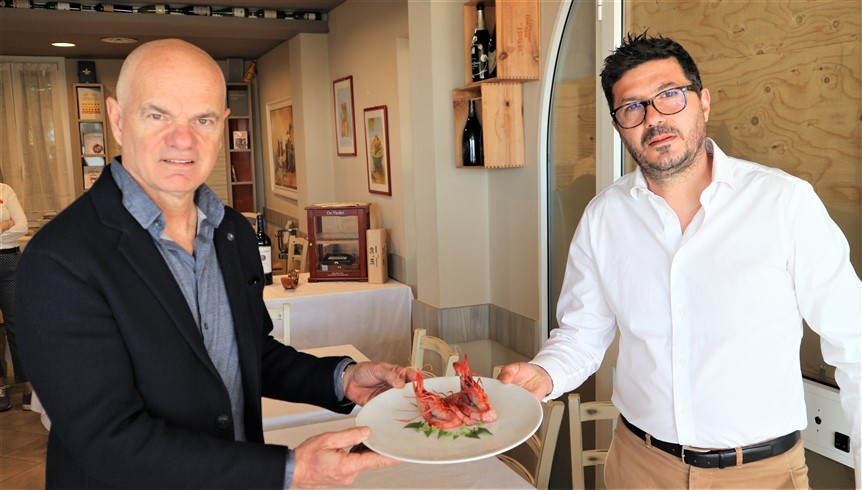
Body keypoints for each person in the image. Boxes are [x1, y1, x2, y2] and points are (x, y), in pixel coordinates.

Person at [15, 39, 411, 488]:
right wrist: (288, 470)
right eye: (158, 115)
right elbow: (108, 441)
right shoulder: (60, 260)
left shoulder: (231, 232)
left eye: (202, 119)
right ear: (118, 119)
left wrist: (342, 380)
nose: (183, 139)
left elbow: (249, 353)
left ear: (222, 126)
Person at [498, 32, 861, 488]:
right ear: (618, 126)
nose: (653, 118)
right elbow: (582, 333)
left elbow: (855, 341)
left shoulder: (784, 203)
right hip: (639, 466)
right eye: (632, 107)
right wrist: (544, 372)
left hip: (761, 474)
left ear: (703, 102)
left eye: (669, 95)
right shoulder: (603, 218)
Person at [0, 182, 29, 412]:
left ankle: (28, 384)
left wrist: (9, 225)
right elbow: (13, 226)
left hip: (10, 263)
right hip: (7, 251)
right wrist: (4, 224)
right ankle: (0, 386)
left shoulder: (5, 190)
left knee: (17, 325)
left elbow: (22, 226)